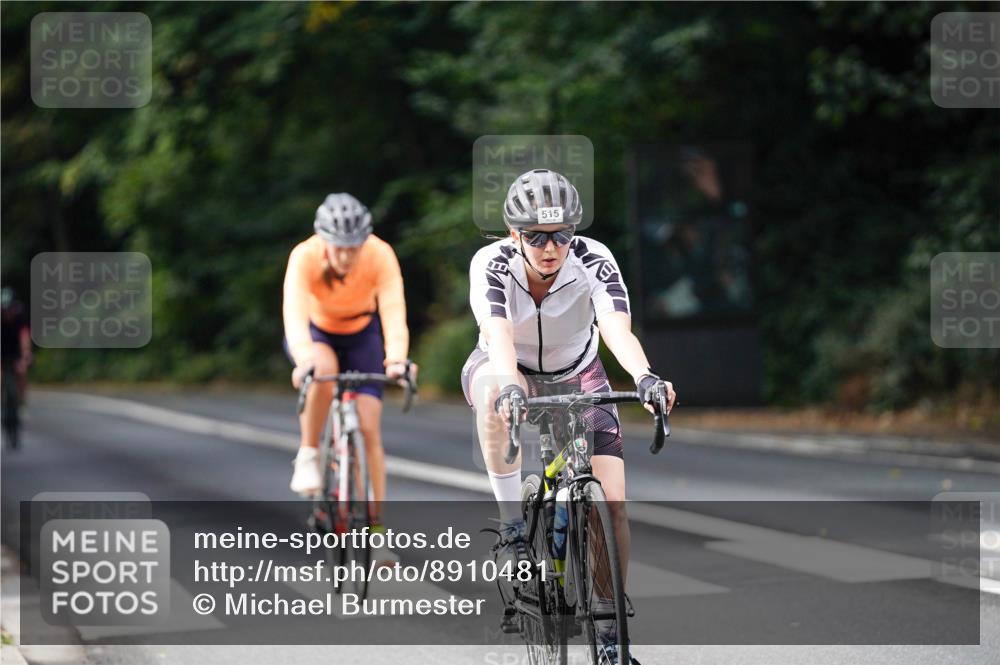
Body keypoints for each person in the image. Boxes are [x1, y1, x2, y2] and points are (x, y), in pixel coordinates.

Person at [461, 169, 675, 665]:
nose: (550, 247)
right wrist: (513, 389)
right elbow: (499, 337)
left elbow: (617, 328)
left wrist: (645, 377)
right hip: (506, 364)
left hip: (580, 371)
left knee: (613, 503)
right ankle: (514, 530)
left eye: (561, 235)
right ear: (515, 235)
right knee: (497, 390)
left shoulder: (594, 260)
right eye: (536, 235)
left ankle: (608, 634)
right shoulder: (491, 264)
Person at [282, 193, 415, 529]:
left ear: (364, 240)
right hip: (318, 332)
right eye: (338, 246)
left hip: (361, 332)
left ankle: (376, 530)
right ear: (323, 240)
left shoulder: (379, 254)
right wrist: (302, 357)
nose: (345, 255)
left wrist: (397, 360)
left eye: (353, 247)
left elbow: (393, 310)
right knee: (323, 368)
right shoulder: (305, 255)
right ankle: (310, 452)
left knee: (369, 429)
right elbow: (294, 312)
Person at [1, 287, 32, 401]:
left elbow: (24, 335)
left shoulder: (20, 316)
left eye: (10, 309)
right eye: (4, 309)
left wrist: (26, 353)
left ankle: (21, 398)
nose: (7, 313)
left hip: (15, 349)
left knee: (22, 371)